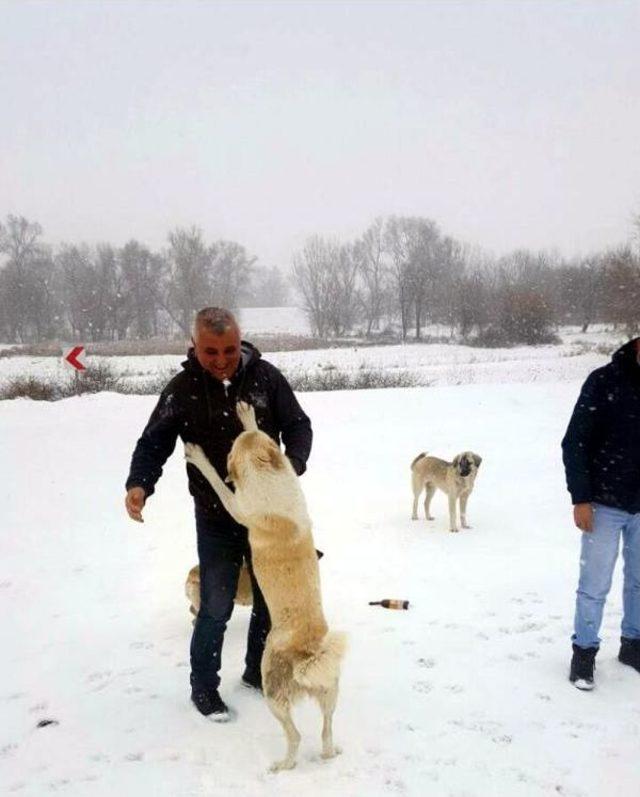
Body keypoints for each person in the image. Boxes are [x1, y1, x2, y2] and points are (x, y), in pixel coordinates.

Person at [125, 307, 312, 720]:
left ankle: (255, 672)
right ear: (195, 346)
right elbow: (153, 443)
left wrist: (291, 466)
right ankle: (204, 687)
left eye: (228, 350)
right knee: (215, 604)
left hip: (267, 518)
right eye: (211, 351)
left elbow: (298, 425)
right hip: (216, 518)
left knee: (267, 601)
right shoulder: (183, 389)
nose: (221, 359)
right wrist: (139, 483)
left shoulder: (266, 379)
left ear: (239, 342)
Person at [562, 337, 640, 690]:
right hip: (604, 504)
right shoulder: (604, 380)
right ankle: (584, 653)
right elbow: (575, 441)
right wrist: (581, 498)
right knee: (594, 585)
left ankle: (633, 646)